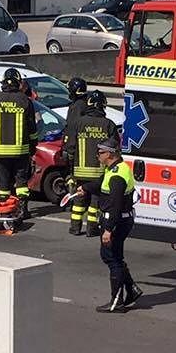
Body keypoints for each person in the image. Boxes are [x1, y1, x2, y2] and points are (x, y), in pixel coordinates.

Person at [61, 79, 116, 236]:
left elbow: (70, 147)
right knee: (95, 203)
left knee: (79, 201)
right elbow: (115, 149)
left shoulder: (79, 123)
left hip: (80, 172)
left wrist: (71, 169)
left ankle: (75, 228)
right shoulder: (109, 125)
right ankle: (92, 229)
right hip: (100, 173)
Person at [93, 141, 142, 313]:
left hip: (116, 222)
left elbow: (115, 205)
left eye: (100, 152)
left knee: (112, 258)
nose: (97, 155)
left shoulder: (117, 176)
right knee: (114, 257)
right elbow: (100, 185)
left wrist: (108, 229)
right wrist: (84, 188)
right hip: (120, 220)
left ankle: (117, 301)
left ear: (110, 154)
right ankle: (132, 289)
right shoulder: (115, 168)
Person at [0, 69, 38, 214]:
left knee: (3, 183)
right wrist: (33, 145)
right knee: (21, 182)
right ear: (18, 82)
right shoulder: (25, 100)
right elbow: (32, 127)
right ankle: (22, 209)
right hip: (21, 150)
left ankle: (5, 210)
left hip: (0, 151)